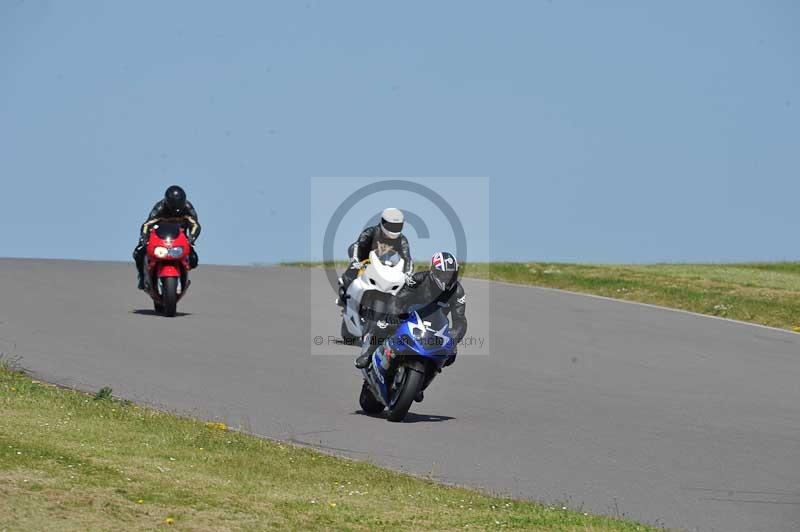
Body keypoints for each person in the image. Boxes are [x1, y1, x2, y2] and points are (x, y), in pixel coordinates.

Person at [354, 251, 467, 371]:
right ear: (433, 271)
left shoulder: (458, 292)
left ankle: (426, 376)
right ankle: (368, 354)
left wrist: (454, 337)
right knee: (384, 324)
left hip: (435, 327)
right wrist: (394, 313)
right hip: (408, 316)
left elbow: (460, 320)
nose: (447, 278)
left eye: (451, 275)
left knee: (451, 354)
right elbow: (398, 298)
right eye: (443, 274)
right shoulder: (419, 279)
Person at [337, 207, 414, 306]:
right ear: (383, 222)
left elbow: (407, 258)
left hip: (388, 266)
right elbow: (357, 246)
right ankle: (345, 295)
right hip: (366, 262)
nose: (394, 229)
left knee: (406, 285)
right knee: (352, 272)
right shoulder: (371, 232)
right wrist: (355, 260)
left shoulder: (402, 239)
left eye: (397, 226)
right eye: (391, 226)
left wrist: (408, 273)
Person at [133, 185, 201, 289]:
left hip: (180, 238)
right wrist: (144, 238)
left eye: (180, 205)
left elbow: (195, 225)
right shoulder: (159, 208)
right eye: (174, 206)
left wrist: (192, 238)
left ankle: (184, 276)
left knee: (193, 260)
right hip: (160, 237)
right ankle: (142, 278)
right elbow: (147, 224)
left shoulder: (188, 208)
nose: (177, 210)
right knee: (139, 253)